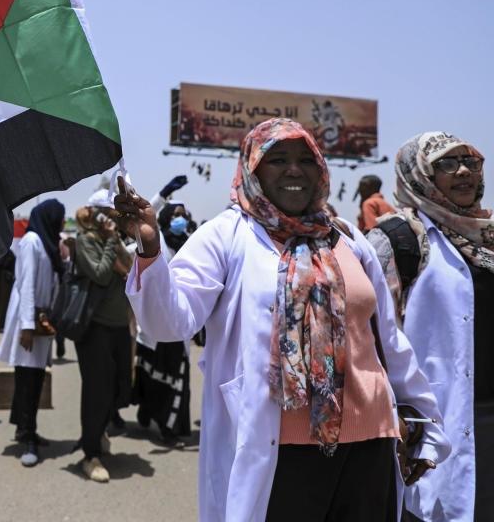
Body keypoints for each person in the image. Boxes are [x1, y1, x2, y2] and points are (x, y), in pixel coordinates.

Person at [115, 118, 450, 521]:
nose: (294, 170)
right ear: (252, 169)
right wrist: (150, 246)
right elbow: (169, 322)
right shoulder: (228, 234)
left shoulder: (345, 237)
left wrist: (416, 415)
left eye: (306, 159)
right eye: (277, 160)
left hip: (371, 444)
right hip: (280, 450)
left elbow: (386, 340)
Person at [366, 132, 493, 521]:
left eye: (471, 162)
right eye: (445, 164)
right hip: (428, 422)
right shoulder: (397, 239)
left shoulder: (487, 237)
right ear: (418, 174)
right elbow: (366, 334)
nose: (463, 172)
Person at [0, 199, 65, 467]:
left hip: (40, 321)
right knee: (28, 381)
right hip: (30, 321)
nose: (61, 222)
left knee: (33, 380)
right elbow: (28, 287)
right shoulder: (32, 242)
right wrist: (26, 327)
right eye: (59, 218)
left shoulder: (46, 244)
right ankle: (28, 439)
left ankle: (26, 429)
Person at [72, 189, 134, 483]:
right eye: (108, 213)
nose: (112, 218)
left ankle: (100, 430)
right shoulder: (84, 242)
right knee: (96, 390)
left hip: (119, 325)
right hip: (94, 327)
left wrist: (117, 242)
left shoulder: (114, 239)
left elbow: (132, 270)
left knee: (121, 384)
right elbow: (98, 273)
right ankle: (90, 454)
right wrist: (110, 243)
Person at [133, 201, 193, 444]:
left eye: (183, 215)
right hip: (158, 324)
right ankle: (149, 412)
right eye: (175, 215)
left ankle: (170, 427)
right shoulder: (159, 245)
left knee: (177, 378)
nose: (180, 219)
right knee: (153, 376)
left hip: (181, 324)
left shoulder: (191, 245)